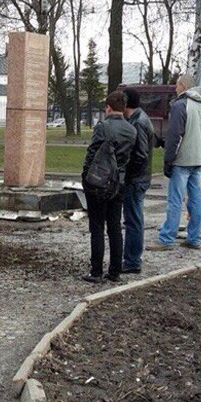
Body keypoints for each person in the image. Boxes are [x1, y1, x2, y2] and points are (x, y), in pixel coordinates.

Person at [81, 91, 137, 283]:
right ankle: (115, 271)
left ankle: (96, 271)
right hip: (118, 183)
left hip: (99, 182)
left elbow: (92, 154)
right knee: (115, 227)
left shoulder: (103, 127)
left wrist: (86, 178)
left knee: (97, 227)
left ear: (108, 107)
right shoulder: (131, 130)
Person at [150, 74, 201, 251]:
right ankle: (194, 237)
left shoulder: (180, 105)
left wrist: (168, 160)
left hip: (183, 158)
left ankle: (167, 238)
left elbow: (174, 135)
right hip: (199, 157)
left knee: (175, 200)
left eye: (177, 85)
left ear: (183, 86)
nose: (175, 89)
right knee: (196, 199)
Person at [120, 87, 154, 274]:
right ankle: (132, 258)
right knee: (134, 218)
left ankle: (132, 260)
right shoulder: (139, 119)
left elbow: (140, 154)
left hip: (135, 179)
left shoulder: (138, 122)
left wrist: (126, 173)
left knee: (133, 220)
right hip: (138, 177)